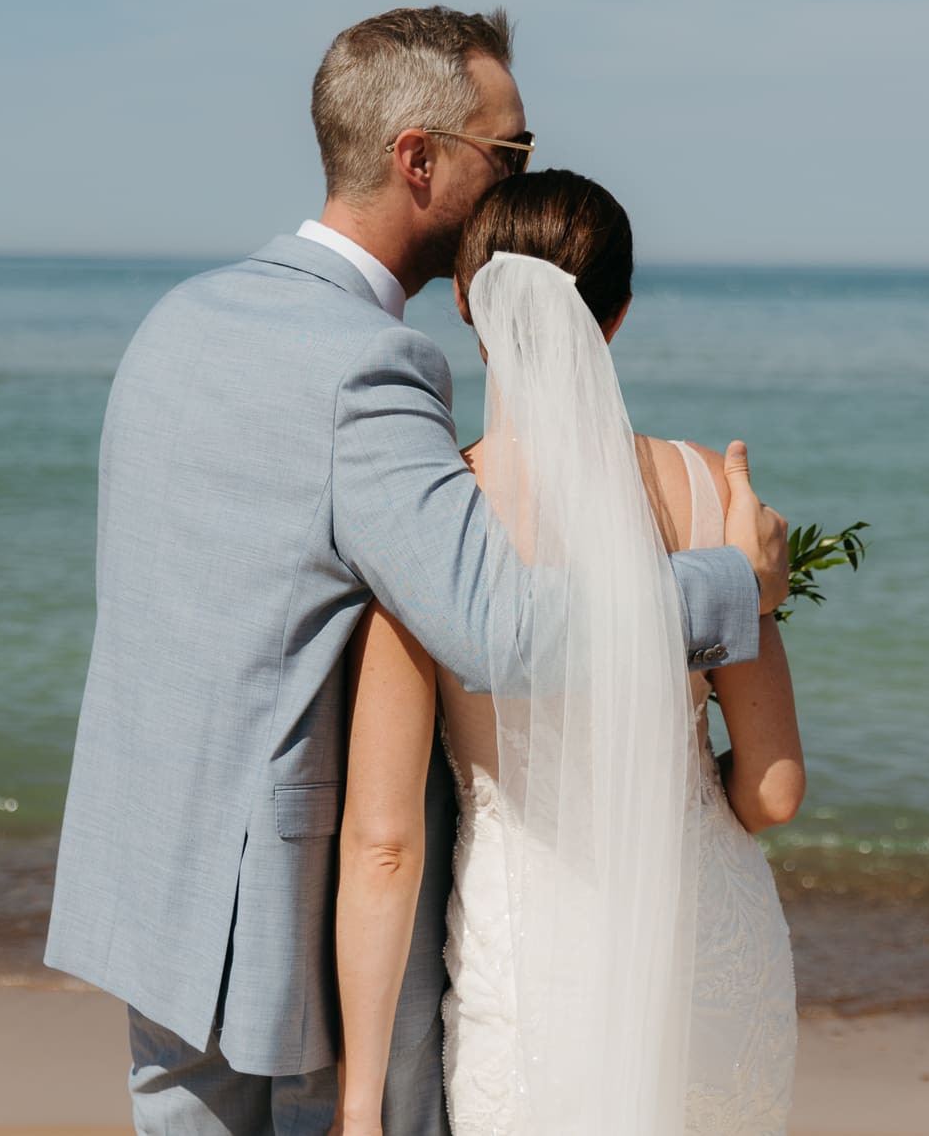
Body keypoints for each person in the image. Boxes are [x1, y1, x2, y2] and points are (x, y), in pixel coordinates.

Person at [43, 7, 792, 1136]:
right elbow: (500, 629)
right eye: (511, 153)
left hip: (150, 893)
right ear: (418, 158)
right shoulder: (369, 370)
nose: (518, 178)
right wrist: (732, 586)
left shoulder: (175, 322)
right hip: (287, 943)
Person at [335, 170, 804, 1136]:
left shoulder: (435, 526)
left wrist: (359, 1101)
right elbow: (774, 789)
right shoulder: (714, 490)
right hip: (708, 949)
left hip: (533, 966)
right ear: (618, 315)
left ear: (467, 303)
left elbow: (384, 847)